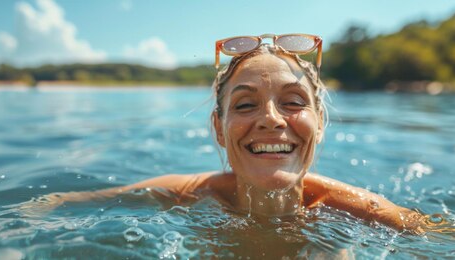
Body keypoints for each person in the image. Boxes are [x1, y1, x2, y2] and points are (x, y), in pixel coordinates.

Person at [25, 34, 426, 235]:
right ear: (218, 128)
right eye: (246, 105)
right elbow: (56, 204)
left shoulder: (369, 214)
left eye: (293, 101)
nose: (271, 120)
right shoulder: (186, 195)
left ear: (319, 123)